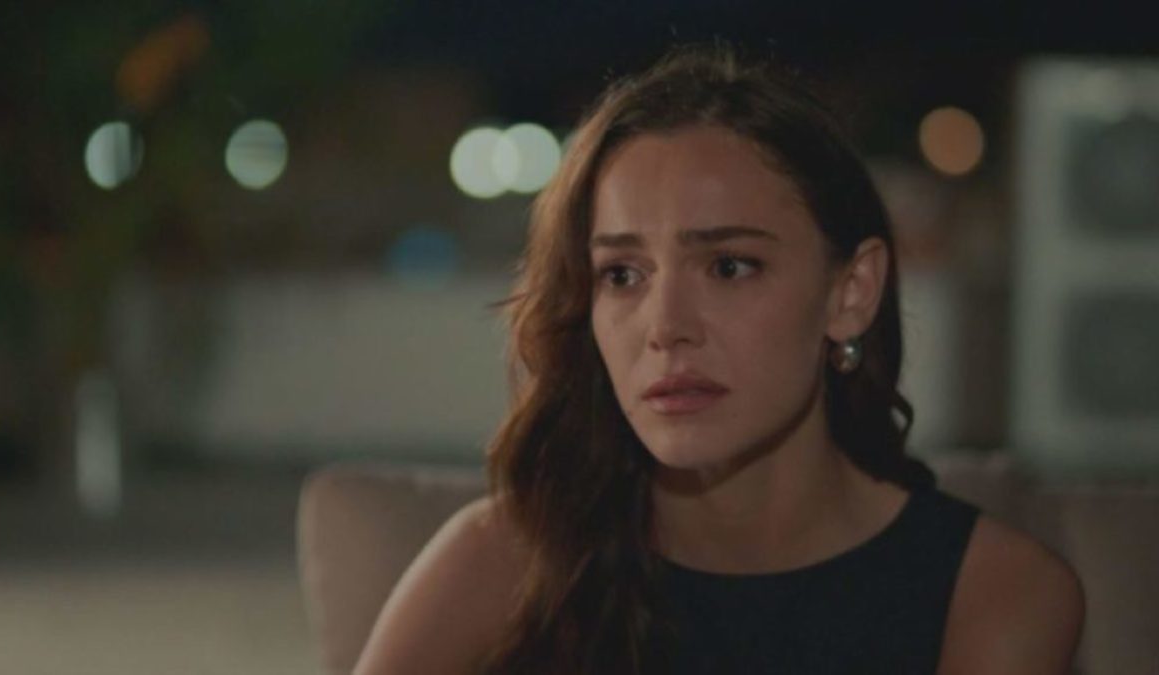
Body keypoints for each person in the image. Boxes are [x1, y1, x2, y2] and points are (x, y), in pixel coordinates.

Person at [352, 44, 1085, 675]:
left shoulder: (996, 590)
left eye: (730, 266)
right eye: (622, 275)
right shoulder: (505, 562)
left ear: (851, 292)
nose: (665, 327)